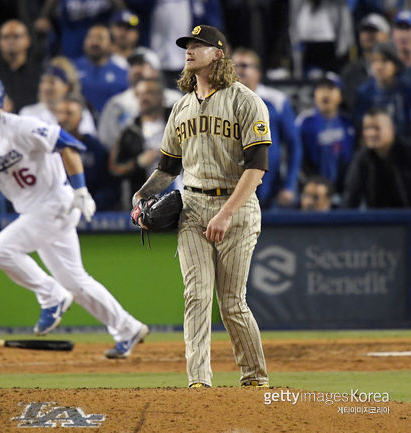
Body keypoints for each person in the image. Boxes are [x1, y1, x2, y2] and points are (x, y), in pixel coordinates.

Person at [0, 72, 149, 359]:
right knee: (76, 281)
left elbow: (68, 144)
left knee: (1, 250)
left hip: (55, 203)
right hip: (32, 211)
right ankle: (127, 327)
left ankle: (51, 296)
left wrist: (80, 190)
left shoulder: (20, 126)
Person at [132, 25, 269, 388]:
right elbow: (167, 167)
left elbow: (256, 167)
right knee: (195, 295)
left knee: (231, 303)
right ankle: (199, 382)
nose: (189, 50)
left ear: (218, 54)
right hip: (191, 206)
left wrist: (225, 214)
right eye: (187, 45)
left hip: (236, 209)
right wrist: (142, 194)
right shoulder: (180, 107)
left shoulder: (246, 101)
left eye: (198, 45)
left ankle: (255, 377)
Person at [232, 48, 302, 208]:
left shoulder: (276, 100)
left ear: (257, 72)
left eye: (243, 65)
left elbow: (294, 146)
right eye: (233, 66)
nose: (238, 71)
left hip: (269, 190)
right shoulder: (219, 101)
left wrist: (289, 185)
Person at [109, 76, 175, 209]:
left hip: (183, 195)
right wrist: (138, 163)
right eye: (139, 94)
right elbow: (114, 168)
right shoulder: (129, 132)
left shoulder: (178, 121)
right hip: (144, 203)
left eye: (150, 92)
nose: (144, 98)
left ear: (162, 96)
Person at [98, 47, 182, 150]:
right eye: (133, 65)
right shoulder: (117, 103)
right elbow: (105, 139)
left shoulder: (174, 100)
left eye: (143, 65)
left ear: (156, 72)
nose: (137, 70)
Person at [342, 108, 411, 208]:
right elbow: (351, 196)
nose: (371, 133)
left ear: (391, 129)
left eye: (376, 128)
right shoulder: (361, 159)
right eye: (367, 128)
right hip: (379, 220)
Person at [56, 95, 120, 211]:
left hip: (91, 210)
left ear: (81, 117)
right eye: (60, 113)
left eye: (69, 113)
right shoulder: (46, 147)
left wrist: (92, 203)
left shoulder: (95, 148)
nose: (63, 118)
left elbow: (109, 186)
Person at [296, 73, 355, 192]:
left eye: (331, 89)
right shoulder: (304, 122)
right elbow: (296, 157)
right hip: (314, 189)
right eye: (321, 88)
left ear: (341, 96)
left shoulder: (349, 123)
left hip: (344, 189)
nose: (325, 93)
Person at [353, 41, 411, 137]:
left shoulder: (407, 91)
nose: (379, 67)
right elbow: (360, 127)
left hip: (403, 146)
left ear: (396, 65)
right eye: (374, 61)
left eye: (384, 61)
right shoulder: (364, 93)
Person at [0, 19, 42, 114]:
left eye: (16, 37)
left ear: (28, 40)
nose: (11, 41)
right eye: (6, 37)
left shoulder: (39, 72)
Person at [340, 13, 391, 115]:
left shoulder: (397, 68)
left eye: (374, 31)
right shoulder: (350, 71)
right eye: (364, 31)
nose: (368, 35)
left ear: (387, 36)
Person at [74, 25, 128, 116]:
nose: (94, 42)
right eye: (90, 37)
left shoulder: (122, 73)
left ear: (111, 44)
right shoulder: (71, 68)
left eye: (100, 38)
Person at [392, 10, 411, 101]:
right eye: (399, 29)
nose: (403, 35)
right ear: (393, 33)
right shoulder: (389, 67)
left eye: (408, 28)